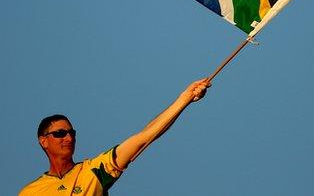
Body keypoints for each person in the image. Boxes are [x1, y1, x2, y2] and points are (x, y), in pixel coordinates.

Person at [19, 78, 211, 195]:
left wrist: (183, 100)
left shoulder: (93, 170)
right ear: (43, 141)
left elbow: (144, 138)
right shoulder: (30, 192)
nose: (68, 138)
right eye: (60, 133)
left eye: (72, 133)